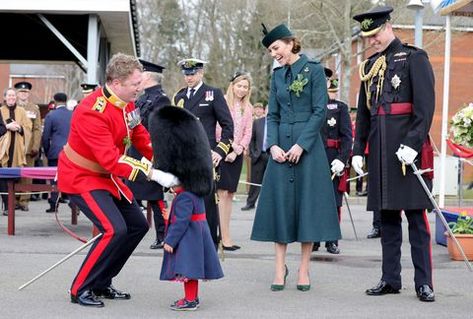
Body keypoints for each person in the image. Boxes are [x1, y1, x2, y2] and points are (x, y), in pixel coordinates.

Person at [57, 53, 179, 307]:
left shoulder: (128, 104)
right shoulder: (91, 111)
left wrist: (165, 161)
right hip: (82, 176)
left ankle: (102, 282)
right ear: (115, 83)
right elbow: (110, 159)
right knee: (114, 229)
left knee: (137, 226)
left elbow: (139, 136)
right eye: (135, 84)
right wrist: (155, 175)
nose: (140, 88)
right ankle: (80, 288)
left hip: (107, 177)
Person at [352, 6, 436, 302]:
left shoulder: (415, 58)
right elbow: (364, 112)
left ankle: (424, 282)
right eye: (368, 37)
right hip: (380, 150)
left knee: (416, 220)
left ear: (388, 27)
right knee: (387, 220)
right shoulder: (369, 66)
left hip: (406, 153)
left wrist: (412, 144)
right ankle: (390, 278)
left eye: (375, 34)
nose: (371, 41)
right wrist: (357, 149)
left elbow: (425, 109)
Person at [251, 24, 341, 292]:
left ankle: (304, 269)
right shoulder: (277, 76)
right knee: (281, 207)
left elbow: (319, 112)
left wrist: (302, 144)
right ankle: (279, 268)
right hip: (281, 149)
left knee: (307, 209)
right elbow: (273, 115)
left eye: (275, 48)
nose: (273, 54)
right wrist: (273, 145)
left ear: (290, 43)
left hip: (308, 150)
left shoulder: (314, 70)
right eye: (269, 51)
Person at [150, 106, 223, 311]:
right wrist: (168, 215)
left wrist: (169, 240)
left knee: (187, 272)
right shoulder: (194, 193)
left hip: (187, 239)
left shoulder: (184, 198)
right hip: (196, 236)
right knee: (191, 272)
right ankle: (192, 298)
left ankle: (190, 301)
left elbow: (181, 221)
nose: (171, 189)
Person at [172, 58, 234, 247]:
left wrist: (219, 151)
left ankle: (209, 246)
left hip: (206, 156)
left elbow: (228, 126)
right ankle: (187, 245)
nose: (189, 77)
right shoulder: (180, 97)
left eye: (192, 74)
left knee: (207, 204)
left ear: (200, 73)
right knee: (184, 202)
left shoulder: (213, 94)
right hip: (185, 158)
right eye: (186, 74)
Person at [126, 59, 169, 250]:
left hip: (149, 153)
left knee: (154, 195)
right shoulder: (141, 98)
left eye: (140, 75)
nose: (137, 79)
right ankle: (130, 228)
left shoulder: (161, 99)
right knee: (130, 193)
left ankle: (164, 235)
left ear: (148, 76)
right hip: (135, 152)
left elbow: (158, 128)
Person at [313, 72, 352, 255]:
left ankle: (331, 240)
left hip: (334, 157)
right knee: (314, 200)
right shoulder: (313, 106)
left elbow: (347, 136)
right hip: (315, 157)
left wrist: (342, 159)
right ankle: (313, 238)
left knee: (334, 202)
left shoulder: (341, 108)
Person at [216, 72, 253, 251]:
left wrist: (238, 150)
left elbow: (248, 133)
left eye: (245, 87)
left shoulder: (248, 108)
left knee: (230, 194)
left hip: (236, 156)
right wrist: (229, 149)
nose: (242, 89)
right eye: (239, 86)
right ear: (233, 86)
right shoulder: (222, 103)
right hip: (222, 152)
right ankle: (222, 237)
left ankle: (226, 234)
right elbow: (219, 129)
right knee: (221, 194)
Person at [0, 88, 32, 215]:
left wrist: (19, 128)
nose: (12, 98)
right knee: (2, 176)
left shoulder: (22, 111)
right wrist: (7, 127)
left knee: (14, 176)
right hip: (2, 149)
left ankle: (12, 203)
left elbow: (28, 127)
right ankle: (7, 205)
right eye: (9, 95)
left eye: (13, 95)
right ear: (4, 97)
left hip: (17, 148)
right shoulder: (0, 111)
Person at [41, 92, 72, 212]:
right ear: (66, 101)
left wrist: (48, 151)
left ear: (54, 101)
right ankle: (73, 202)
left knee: (54, 178)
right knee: (71, 177)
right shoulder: (73, 115)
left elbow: (45, 136)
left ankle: (54, 204)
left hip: (55, 152)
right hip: (71, 152)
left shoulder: (51, 115)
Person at [15, 81, 42, 211]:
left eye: (25, 92)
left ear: (28, 93)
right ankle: (13, 200)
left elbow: (37, 129)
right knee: (14, 174)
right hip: (14, 147)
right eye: (21, 92)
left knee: (27, 175)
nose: (23, 94)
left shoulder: (34, 108)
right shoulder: (11, 106)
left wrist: (36, 146)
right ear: (17, 93)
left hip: (29, 147)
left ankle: (24, 201)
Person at [241, 103, 268, 211]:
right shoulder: (257, 123)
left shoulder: (278, 123)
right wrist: (252, 153)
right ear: (265, 110)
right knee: (254, 181)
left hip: (272, 156)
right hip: (258, 155)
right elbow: (252, 139)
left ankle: (269, 205)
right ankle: (250, 203)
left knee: (271, 182)